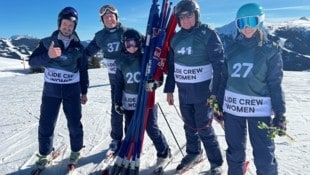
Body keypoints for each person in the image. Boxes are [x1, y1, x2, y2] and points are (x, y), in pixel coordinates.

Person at [217, 3, 287, 175]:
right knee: (234, 152)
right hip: (233, 109)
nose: (247, 27)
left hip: (259, 110)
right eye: (242, 23)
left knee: (264, 154)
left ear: (260, 21)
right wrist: (217, 104)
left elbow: (274, 84)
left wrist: (280, 113)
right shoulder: (231, 49)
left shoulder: (270, 50)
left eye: (251, 21)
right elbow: (223, 79)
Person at [163, 0, 224, 174]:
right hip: (184, 92)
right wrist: (169, 89)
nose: (186, 20)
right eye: (182, 17)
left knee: (204, 127)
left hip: (203, 92)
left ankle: (216, 162)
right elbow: (172, 66)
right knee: (188, 125)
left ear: (196, 15)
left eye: (189, 15)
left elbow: (220, 66)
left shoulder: (208, 33)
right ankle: (194, 152)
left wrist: (215, 94)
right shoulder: (176, 38)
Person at [28, 6, 89, 170]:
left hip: (72, 91)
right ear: (59, 24)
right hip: (51, 92)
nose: (67, 28)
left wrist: (84, 91)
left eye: (71, 25)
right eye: (65, 24)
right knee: (46, 124)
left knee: (75, 123)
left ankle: (76, 150)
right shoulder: (47, 42)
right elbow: (32, 62)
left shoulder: (79, 47)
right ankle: (44, 154)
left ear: (74, 27)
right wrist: (48, 55)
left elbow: (83, 70)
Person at [114, 29, 171, 169]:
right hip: (129, 102)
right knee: (130, 128)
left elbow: (159, 76)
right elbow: (119, 83)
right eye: (128, 44)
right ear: (124, 45)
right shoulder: (121, 61)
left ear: (139, 44)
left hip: (147, 100)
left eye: (134, 44)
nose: (131, 47)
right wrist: (117, 101)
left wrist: (155, 83)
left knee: (151, 128)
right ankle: (130, 151)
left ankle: (164, 152)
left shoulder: (147, 59)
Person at [83, 5, 127, 152]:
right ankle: (116, 138)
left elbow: (144, 47)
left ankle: (131, 136)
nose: (109, 19)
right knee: (116, 108)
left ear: (116, 17)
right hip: (115, 79)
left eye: (111, 16)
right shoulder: (100, 36)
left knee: (131, 108)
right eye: (105, 17)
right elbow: (87, 52)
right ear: (102, 20)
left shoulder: (127, 32)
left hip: (131, 78)